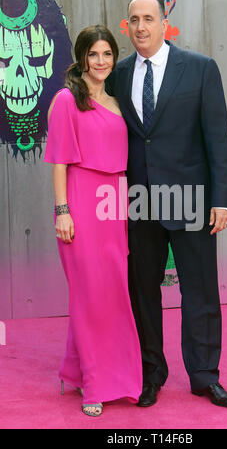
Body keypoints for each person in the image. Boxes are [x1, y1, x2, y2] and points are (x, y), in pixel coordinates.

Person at [105, 0, 227, 408]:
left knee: (200, 292)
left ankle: (204, 376)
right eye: (133, 20)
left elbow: (218, 138)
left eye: (148, 18)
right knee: (143, 294)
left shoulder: (200, 69)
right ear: (126, 26)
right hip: (139, 203)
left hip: (192, 200)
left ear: (165, 23)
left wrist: (223, 200)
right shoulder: (118, 74)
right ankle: (151, 375)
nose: (141, 27)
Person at [44, 25, 142, 417]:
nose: (101, 62)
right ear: (82, 57)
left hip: (114, 202)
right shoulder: (68, 100)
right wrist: (62, 210)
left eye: (107, 55)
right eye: (94, 54)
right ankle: (95, 382)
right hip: (81, 202)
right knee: (88, 297)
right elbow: (59, 161)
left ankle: (78, 367)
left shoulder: (118, 103)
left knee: (112, 294)